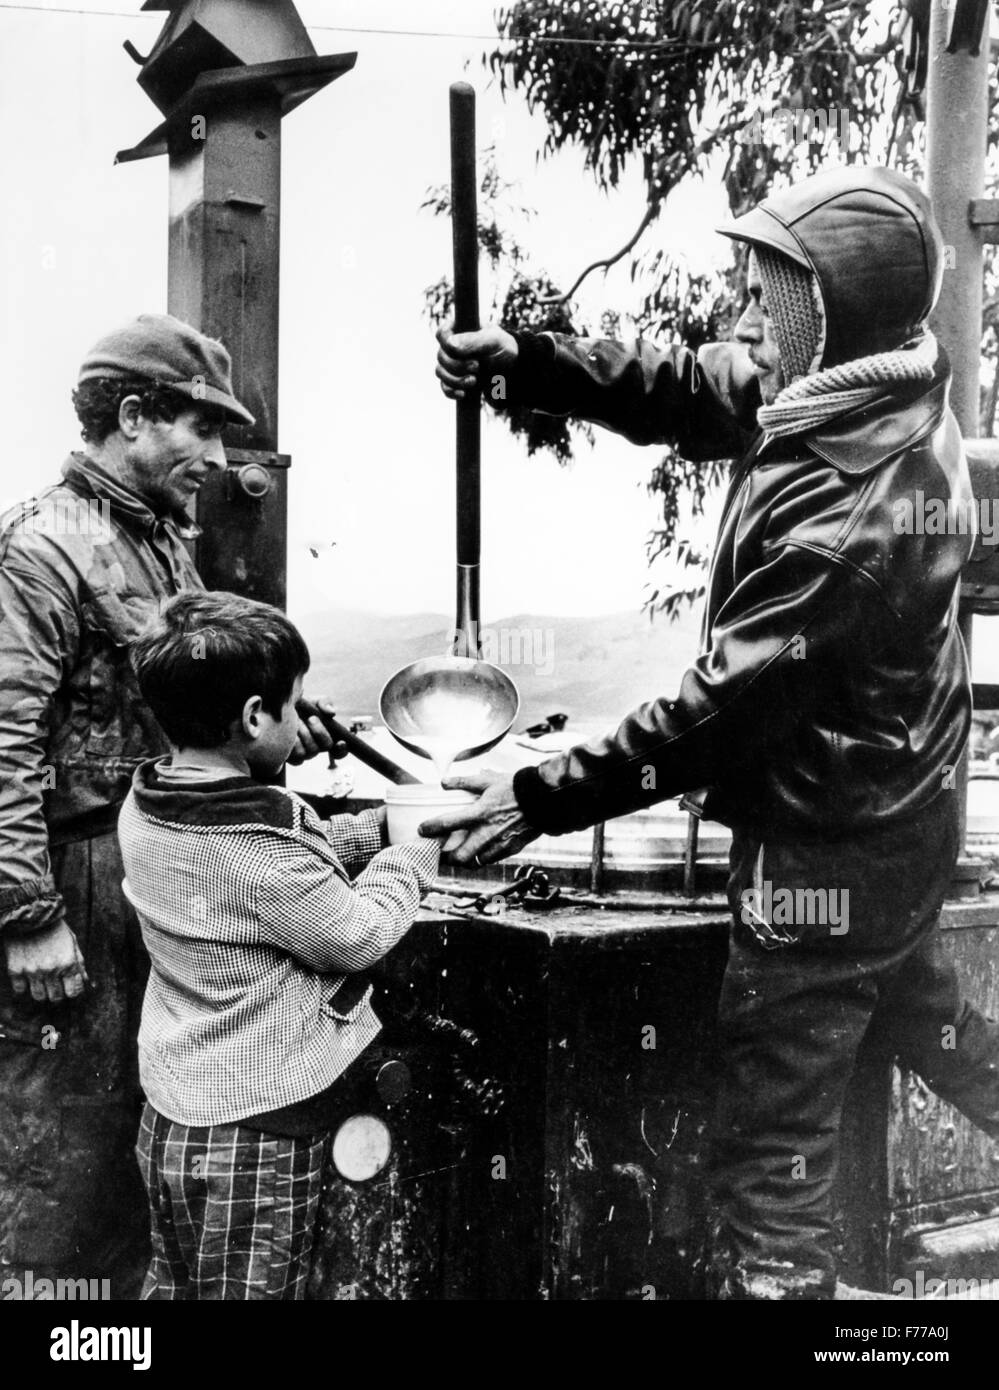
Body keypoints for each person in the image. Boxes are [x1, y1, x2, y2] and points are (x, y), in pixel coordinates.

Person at [428, 164, 999, 1299]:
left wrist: (537, 795)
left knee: (769, 1162)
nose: (745, 312)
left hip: (824, 857)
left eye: (769, 291)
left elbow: (714, 714)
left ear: (830, 309)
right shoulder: (857, 382)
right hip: (896, 823)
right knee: (932, 1024)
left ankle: (788, 1291)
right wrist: (535, 365)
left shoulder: (854, 517)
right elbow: (695, 386)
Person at [0, 314, 337, 1291]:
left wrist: (261, 733)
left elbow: (179, 713)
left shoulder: (159, 552)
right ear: (136, 415)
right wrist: (26, 919)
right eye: (205, 430)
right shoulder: (43, 546)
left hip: (150, 875)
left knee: (127, 1164)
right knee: (53, 1174)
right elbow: (5, 736)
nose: (222, 459)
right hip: (73, 882)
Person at [120, 591, 440, 1300]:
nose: (299, 724)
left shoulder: (146, 806)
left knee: (173, 1288)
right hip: (257, 1136)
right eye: (291, 706)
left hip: (174, 1119)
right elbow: (352, 936)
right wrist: (408, 858)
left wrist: (374, 830)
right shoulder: (260, 849)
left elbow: (277, 883)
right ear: (255, 716)